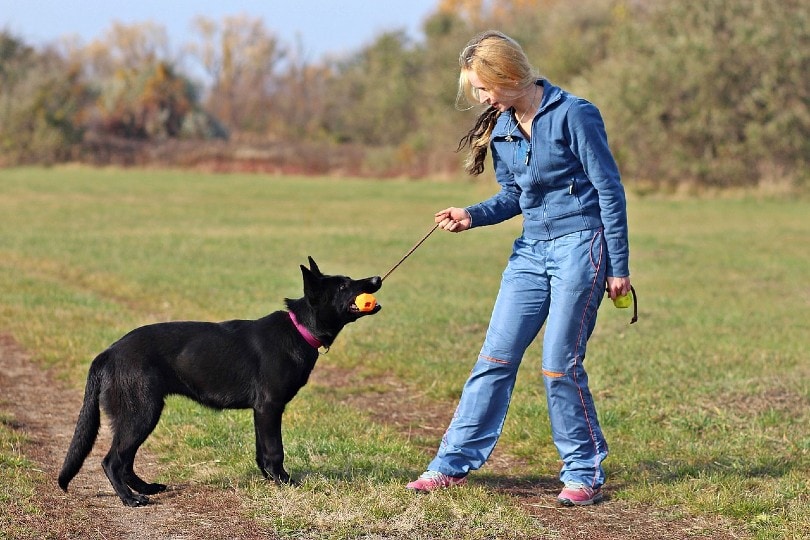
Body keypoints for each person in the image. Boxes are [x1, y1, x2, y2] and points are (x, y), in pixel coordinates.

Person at [405, 30, 631, 507]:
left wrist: (619, 266)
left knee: (558, 365)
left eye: (485, 89)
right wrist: (472, 214)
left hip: (580, 246)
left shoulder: (575, 115)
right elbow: (514, 197)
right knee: (494, 358)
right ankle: (449, 464)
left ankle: (583, 470)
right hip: (531, 251)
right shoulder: (502, 127)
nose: (482, 99)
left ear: (507, 75)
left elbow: (609, 190)